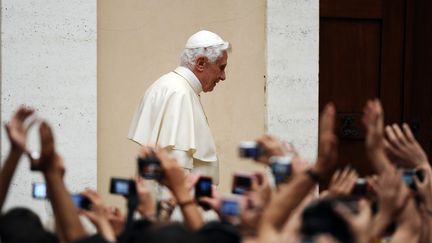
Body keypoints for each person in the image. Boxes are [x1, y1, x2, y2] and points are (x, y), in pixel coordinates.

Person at [128, 30, 231, 184]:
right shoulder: (180, 94)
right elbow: (177, 171)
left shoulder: (168, 85)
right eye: (221, 67)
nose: (223, 76)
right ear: (201, 63)